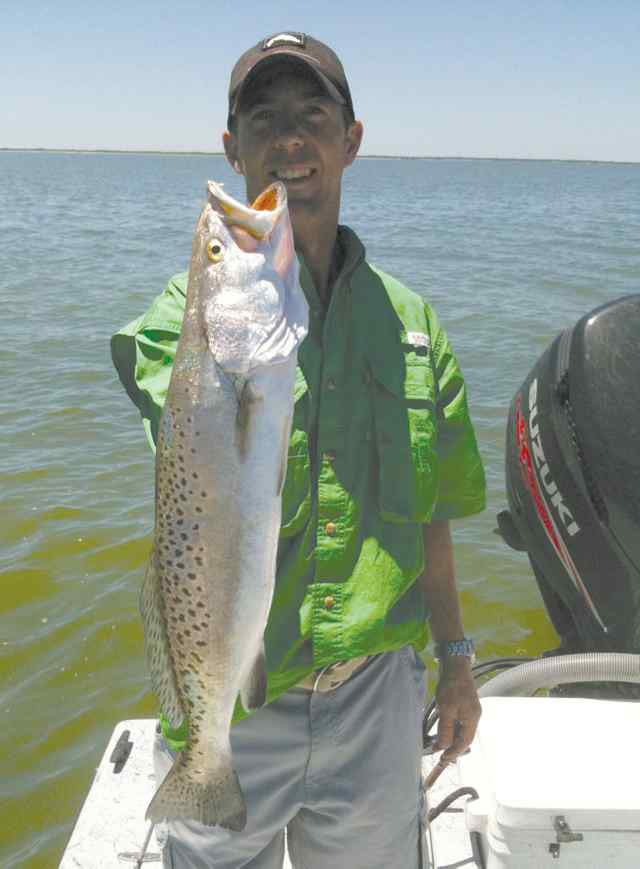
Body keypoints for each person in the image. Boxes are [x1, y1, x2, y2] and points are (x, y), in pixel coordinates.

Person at [111, 31, 486, 869]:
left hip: (377, 700)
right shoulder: (185, 323)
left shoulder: (416, 328)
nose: (289, 139)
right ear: (231, 147)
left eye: (313, 115)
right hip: (237, 705)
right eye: (264, 119)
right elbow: (186, 497)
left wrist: (457, 660)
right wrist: (230, 286)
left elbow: (432, 518)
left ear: (350, 140)